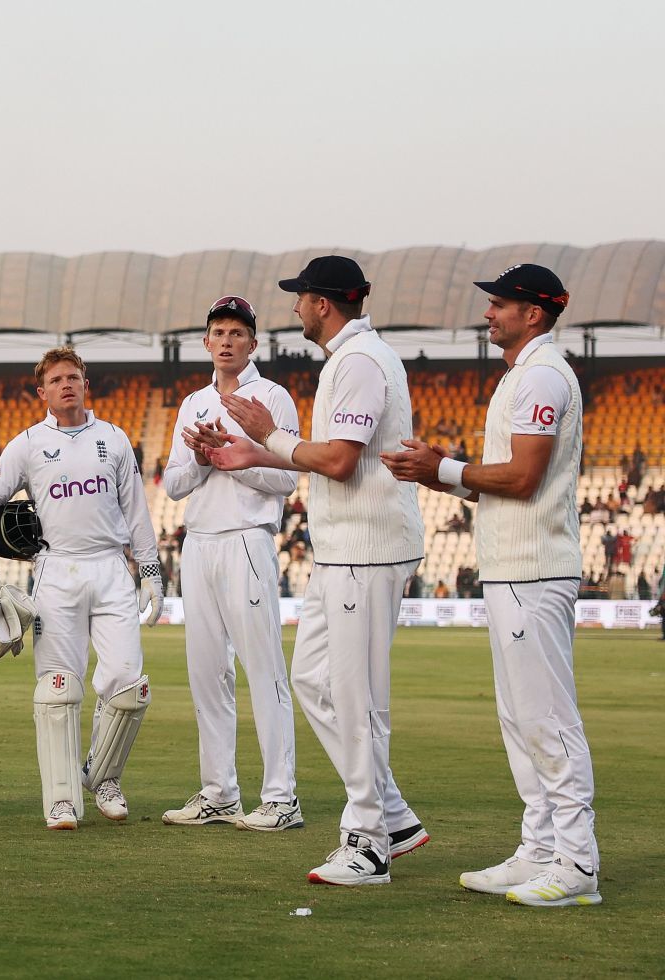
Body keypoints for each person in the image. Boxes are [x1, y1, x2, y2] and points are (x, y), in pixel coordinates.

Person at [382, 264, 601, 906]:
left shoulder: (540, 374)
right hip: (513, 566)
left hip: (535, 569)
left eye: (500, 304)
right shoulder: (521, 375)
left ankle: (578, 864)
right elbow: (508, 478)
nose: (489, 314)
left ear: (533, 313)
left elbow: (526, 476)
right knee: (519, 719)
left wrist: (443, 467)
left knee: (546, 718)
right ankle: (538, 849)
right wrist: (441, 476)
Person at [208, 255, 428, 886]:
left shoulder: (357, 362)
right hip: (344, 548)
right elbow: (328, 459)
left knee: (356, 696)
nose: (294, 307)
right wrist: (255, 448)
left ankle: (368, 842)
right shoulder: (350, 359)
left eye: (300, 297)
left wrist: (270, 434)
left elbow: (338, 461)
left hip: (366, 546)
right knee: (311, 678)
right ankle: (390, 812)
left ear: (323, 303)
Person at [0, 347, 163, 831]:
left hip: (111, 570)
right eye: (56, 380)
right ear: (43, 392)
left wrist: (152, 571)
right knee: (58, 688)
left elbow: (137, 512)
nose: (66, 385)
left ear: (85, 384)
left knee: (128, 687)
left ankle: (104, 777)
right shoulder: (28, 444)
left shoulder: (114, 439)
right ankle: (60, 799)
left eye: (73, 377)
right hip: (56, 570)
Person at [159, 296, 303, 831]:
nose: (226, 340)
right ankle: (219, 792)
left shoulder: (272, 397)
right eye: (218, 331)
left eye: (237, 333)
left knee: (263, 670)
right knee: (206, 674)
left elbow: (286, 478)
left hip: (247, 537)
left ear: (253, 343)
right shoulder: (192, 402)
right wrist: (201, 459)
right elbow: (174, 485)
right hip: (198, 541)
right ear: (206, 342)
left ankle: (281, 798)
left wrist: (232, 457)